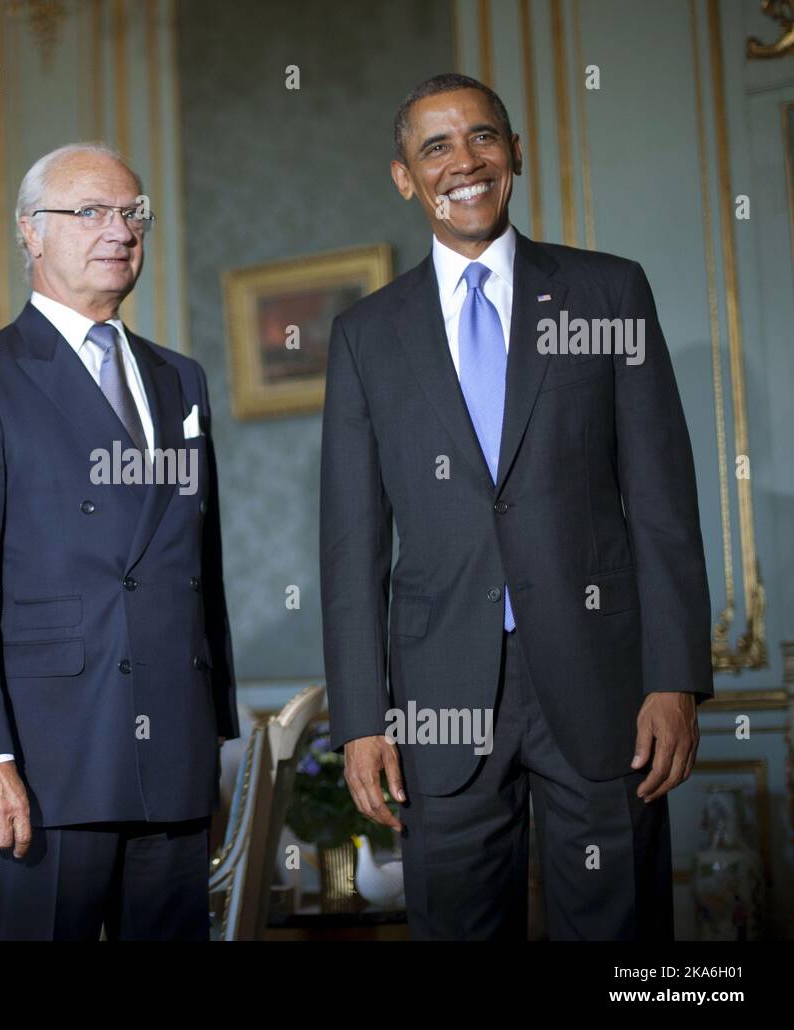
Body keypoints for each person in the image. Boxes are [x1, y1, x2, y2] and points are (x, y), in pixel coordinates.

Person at [319, 74, 713, 940]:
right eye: (436, 148)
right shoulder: (366, 336)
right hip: (438, 699)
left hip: (606, 688)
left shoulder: (610, 292)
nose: (465, 163)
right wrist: (359, 720)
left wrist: (674, 677)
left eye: (483, 138)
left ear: (516, 153)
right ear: (404, 177)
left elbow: (662, 502)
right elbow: (352, 545)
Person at [0, 142, 239, 940]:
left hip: (174, 755)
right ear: (30, 231)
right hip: (42, 764)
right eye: (89, 211)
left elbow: (201, 567)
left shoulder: (179, 379)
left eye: (133, 213)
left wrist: (212, 733)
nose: (119, 230)